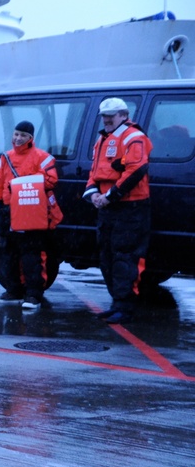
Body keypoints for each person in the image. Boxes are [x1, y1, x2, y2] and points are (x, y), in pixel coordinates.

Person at [83, 98, 153, 324]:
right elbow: (94, 173)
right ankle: (117, 303)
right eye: (104, 116)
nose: (106, 119)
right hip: (108, 207)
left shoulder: (134, 137)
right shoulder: (102, 139)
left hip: (129, 208)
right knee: (107, 256)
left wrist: (110, 196)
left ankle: (125, 306)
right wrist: (93, 194)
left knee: (125, 256)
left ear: (124, 115)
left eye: (111, 115)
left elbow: (136, 170)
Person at [0, 121, 61, 310]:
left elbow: (51, 180)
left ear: (31, 138)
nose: (18, 138)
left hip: (30, 211)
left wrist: (20, 183)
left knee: (32, 254)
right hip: (8, 211)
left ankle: (33, 294)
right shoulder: (6, 157)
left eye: (23, 135)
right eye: (16, 134)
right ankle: (14, 291)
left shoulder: (42, 158)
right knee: (8, 253)